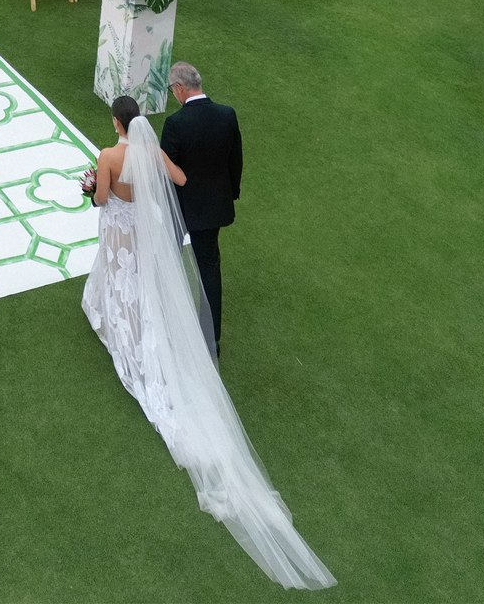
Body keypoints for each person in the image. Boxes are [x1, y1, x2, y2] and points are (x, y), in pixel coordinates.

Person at [81, 99, 330, 588]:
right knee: (137, 285)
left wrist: (93, 186)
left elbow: (102, 200)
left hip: (118, 228)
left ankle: (121, 331)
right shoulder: (151, 153)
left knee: (119, 281)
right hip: (143, 228)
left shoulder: (110, 155)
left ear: (115, 122)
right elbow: (179, 181)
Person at [160, 62, 244, 347]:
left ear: (180, 88)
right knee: (209, 270)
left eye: (173, 90)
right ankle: (210, 340)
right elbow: (236, 161)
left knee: (167, 260)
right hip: (212, 210)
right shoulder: (226, 115)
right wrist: (229, 194)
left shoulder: (175, 124)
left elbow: (166, 171)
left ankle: (164, 322)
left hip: (179, 208)